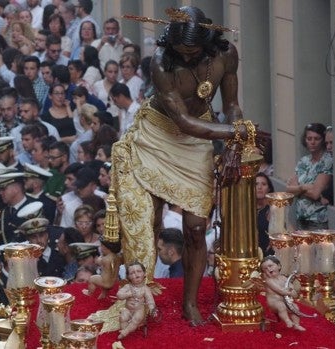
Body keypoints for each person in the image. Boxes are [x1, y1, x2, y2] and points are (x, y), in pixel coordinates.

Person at [111, 6, 250, 326]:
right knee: (149, 223)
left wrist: (236, 132)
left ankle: (190, 302)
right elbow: (183, 121)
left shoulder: (227, 55)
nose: (186, 57)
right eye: (181, 51)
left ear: (207, 41)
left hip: (198, 141)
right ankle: (139, 298)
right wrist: (234, 132)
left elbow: (230, 105)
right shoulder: (162, 63)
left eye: (193, 51)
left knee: (197, 228)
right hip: (158, 137)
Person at [285, 123, 332, 230]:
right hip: (301, 217)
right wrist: (304, 187)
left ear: (323, 140)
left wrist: (298, 188)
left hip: (317, 219)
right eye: (309, 138)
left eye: (317, 139)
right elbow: (289, 190)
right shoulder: (303, 161)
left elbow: (315, 194)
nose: (312, 142)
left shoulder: (326, 161)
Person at [260, 256, 306, 331]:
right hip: (274, 302)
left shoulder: (284, 278)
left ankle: (296, 324)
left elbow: (292, 289)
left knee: (295, 307)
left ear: (279, 266)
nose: (268, 269)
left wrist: (293, 292)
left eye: (270, 266)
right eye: (265, 269)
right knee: (281, 306)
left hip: (285, 301)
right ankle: (287, 321)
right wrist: (288, 292)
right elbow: (280, 291)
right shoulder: (269, 281)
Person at [116, 261, 157, 339]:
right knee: (122, 317)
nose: (136, 274)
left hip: (139, 310)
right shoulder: (127, 286)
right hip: (128, 309)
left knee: (137, 318)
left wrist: (152, 309)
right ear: (128, 277)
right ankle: (124, 331)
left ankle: (125, 332)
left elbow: (150, 301)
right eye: (132, 273)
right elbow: (119, 295)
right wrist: (128, 294)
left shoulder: (145, 289)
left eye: (139, 271)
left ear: (144, 273)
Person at [82, 234, 121, 299]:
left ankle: (89, 293)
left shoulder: (106, 259)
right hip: (114, 281)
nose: (101, 247)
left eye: (101, 246)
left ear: (105, 247)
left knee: (91, 279)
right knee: (104, 280)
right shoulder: (118, 257)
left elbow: (98, 261)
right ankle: (103, 295)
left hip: (105, 282)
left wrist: (101, 256)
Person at [256, 173, 275, 256]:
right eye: (256, 184)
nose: (259, 187)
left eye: (263, 184)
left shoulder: (274, 210)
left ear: (269, 189)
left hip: (267, 256)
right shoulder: (246, 210)